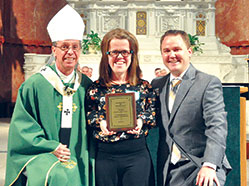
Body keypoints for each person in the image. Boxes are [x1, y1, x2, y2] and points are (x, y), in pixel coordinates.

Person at [5, 5, 95, 186]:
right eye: (64, 47)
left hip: (80, 152)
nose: (70, 52)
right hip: (43, 153)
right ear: (54, 50)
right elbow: (23, 128)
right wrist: (52, 147)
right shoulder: (35, 85)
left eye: (75, 47)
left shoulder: (86, 85)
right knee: (59, 176)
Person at [151, 30, 231, 186]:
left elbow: (217, 126)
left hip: (200, 164)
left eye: (176, 49)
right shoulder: (157, 85)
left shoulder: (207, 83)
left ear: (189, 51)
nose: (171, 55)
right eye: (166, 51)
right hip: (170, 169)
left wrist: (209, 164)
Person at [86, 28, 157, 186]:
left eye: (125, 52)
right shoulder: (95, 89)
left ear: (132, 55)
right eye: (114, 52)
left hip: (136, 156)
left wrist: (140, 122)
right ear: (107, 55)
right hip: (105, 157)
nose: (120, 57)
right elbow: (89, 116)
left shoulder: (144, 87)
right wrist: (101, 123)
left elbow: (152, 115)